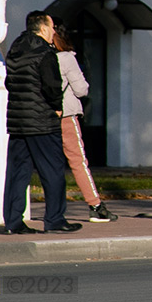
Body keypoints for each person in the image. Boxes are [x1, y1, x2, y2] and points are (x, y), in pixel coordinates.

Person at [3, 11, 82, 234]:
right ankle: (55, 219)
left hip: (18, 121)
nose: (54, 31)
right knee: (53, 170)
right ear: (43, 28)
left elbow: (10, 83)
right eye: (52, 27)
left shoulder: (16, 49)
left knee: (18, 172)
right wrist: (57, 107)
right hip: (41, 122)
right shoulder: (45, 53)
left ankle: (13, 221)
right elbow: (52, 86)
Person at [52, 21, 117, 223]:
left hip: (42, 115)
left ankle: (52, 210)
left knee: (48, 164)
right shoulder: (66, 58)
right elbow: (81, 89)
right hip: (66, 115)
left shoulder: (40, 57)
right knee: (78, 161)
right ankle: (95, 205)